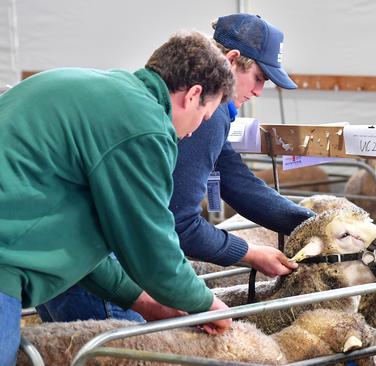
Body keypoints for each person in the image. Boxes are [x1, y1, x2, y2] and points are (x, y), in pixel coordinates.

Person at [35, 13, 316, 323]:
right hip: (103, 264)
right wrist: (242, 259)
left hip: (68, 256)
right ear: (233, 61)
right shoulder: (204, 113)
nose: (259, 92)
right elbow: (177, 221)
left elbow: (236, 181)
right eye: (260, 78)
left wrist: (314, 223)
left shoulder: (134, 95)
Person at [0, 31, 236, 364]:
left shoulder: (102, 93)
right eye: (205, 114)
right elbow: (151, 245)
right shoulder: (145, 126)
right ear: (194, 94)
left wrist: (142, 301)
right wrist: (206, 304)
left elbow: (72, 235)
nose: (196, 129)